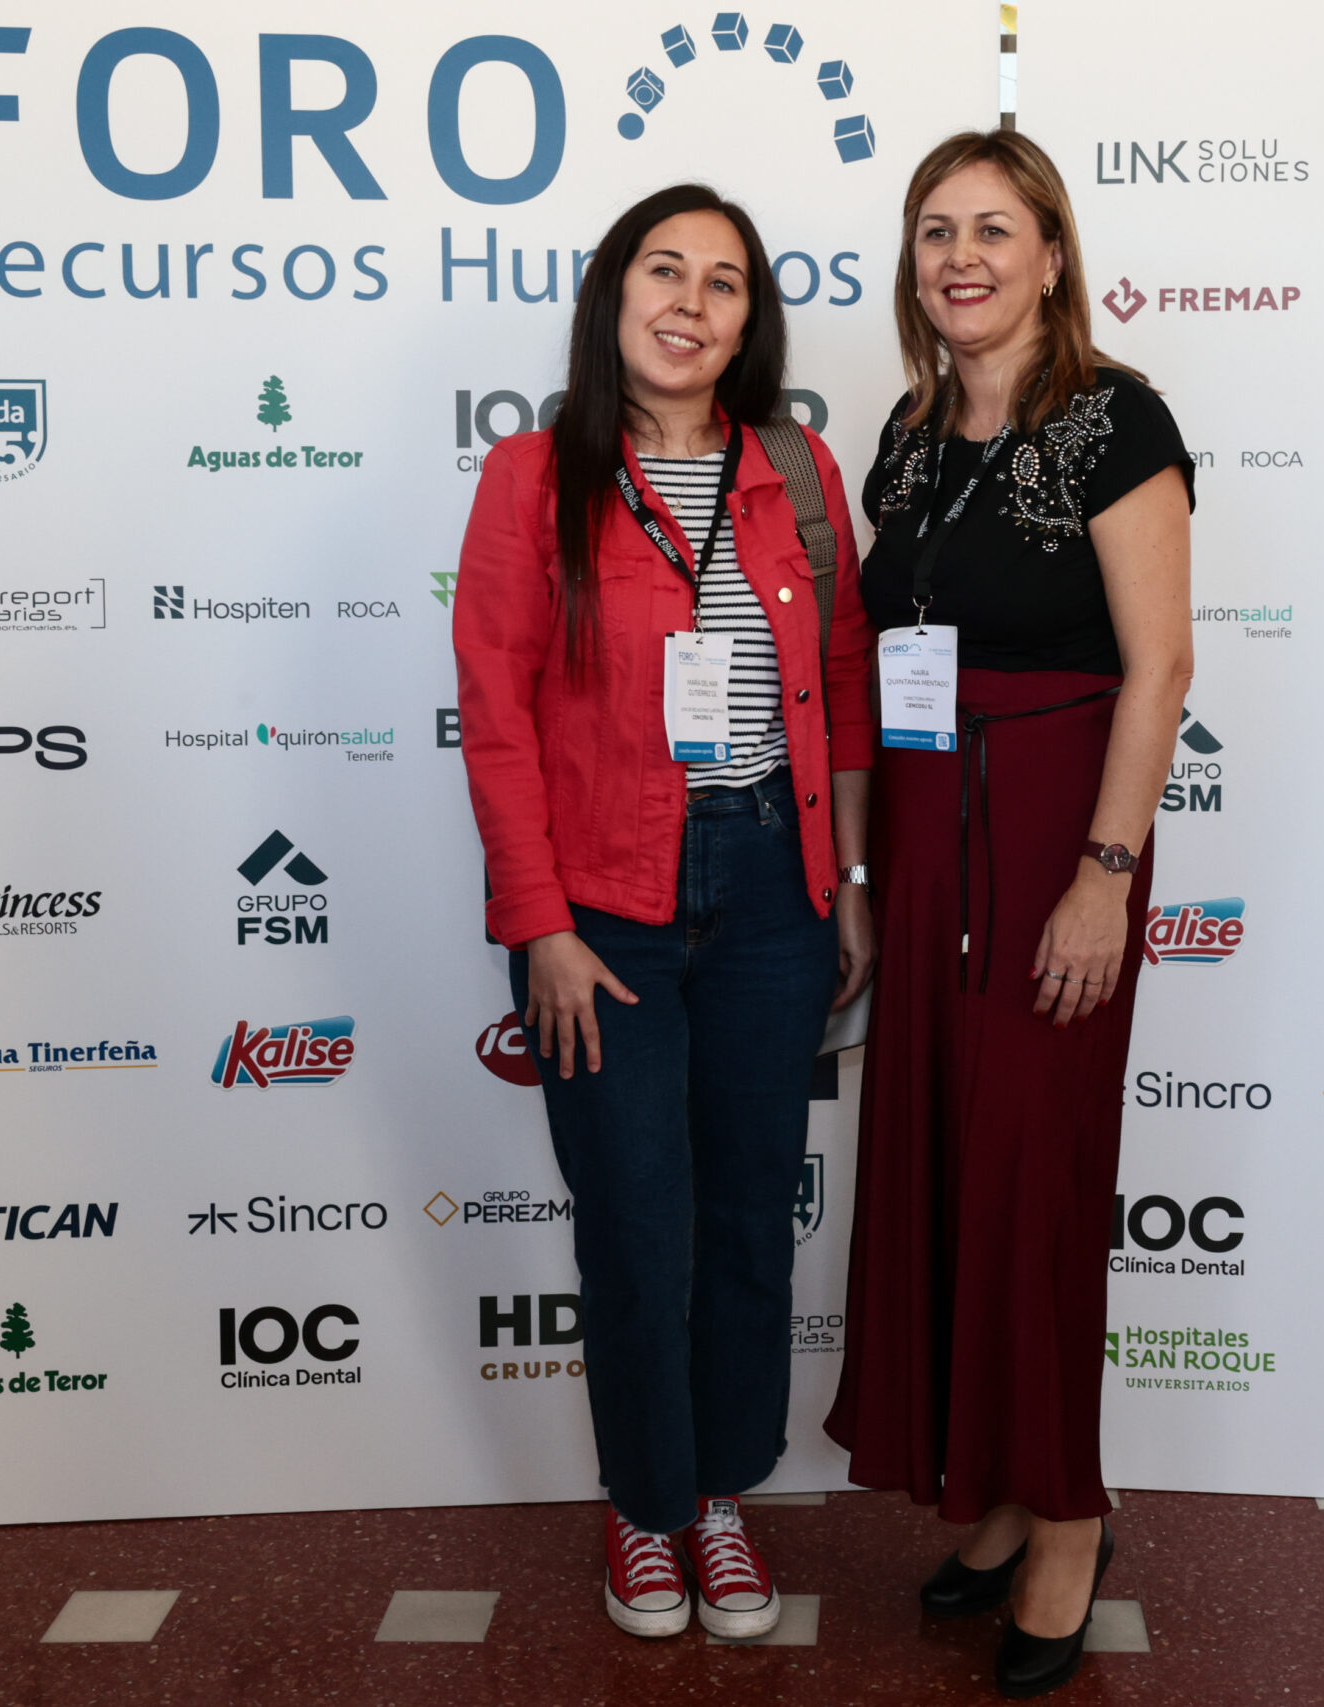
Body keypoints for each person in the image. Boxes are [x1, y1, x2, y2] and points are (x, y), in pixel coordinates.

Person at [452, 183, 876, 1640]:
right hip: (603, 909)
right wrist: (540, 924)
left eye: (725, 282)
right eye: (664, 269)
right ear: (613, 296)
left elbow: (845, 688)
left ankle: (718, 1497)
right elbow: (496, 712)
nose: (691, 302)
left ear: (751, 324)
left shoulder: (794, 469)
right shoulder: (534, 475)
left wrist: (848, 885)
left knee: (751, 1217)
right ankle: (644, 1508)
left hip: (771, 892)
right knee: (638, 1224)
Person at [825, 130, 1195, 1698]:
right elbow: (876, 664)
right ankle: (986, 1488)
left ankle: (1068, 1518)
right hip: (926, 837)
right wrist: (861, 876)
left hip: (1055, 836)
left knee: (1035, 1182)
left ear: (1052, 255)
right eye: (934, 231)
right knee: (942, 1170)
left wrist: (1105, 875)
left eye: (992, 229)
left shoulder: (1118, 418)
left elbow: (1161, 667)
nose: (959, 257)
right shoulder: (909, 432)